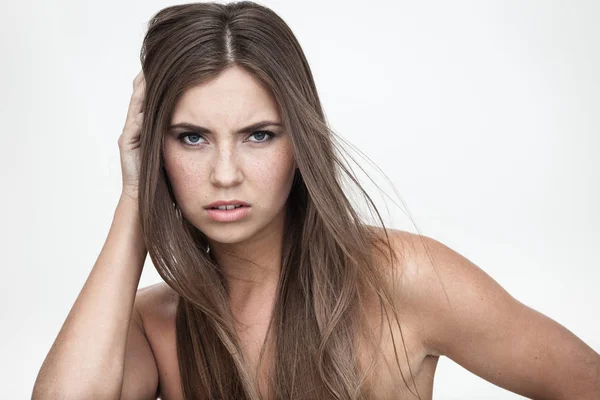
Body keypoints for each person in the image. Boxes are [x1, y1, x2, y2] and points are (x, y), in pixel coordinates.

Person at [32, 2, 600, 399]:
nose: (225, 174)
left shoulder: (403, 280)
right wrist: (135, 197)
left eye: (259, 135)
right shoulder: (153, 325)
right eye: (192, 137)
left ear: (299, 142)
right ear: (155, 148)